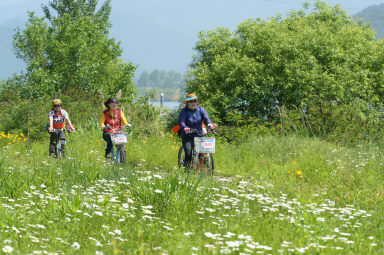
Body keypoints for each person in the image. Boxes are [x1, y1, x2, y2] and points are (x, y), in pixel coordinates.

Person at [178, 94, 215, 169]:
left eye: (195, 101)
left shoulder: (201, 109)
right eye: (191, 101)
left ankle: (203, 170)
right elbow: (181, 121)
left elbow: (206, 118)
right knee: (188, 153)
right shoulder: (184, 111)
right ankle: (187, 171)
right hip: (188, 135)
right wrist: (185, 127)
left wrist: (209, 124)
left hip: (199, 134)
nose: (193, 103)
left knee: (202, 154)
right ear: (187, 103)